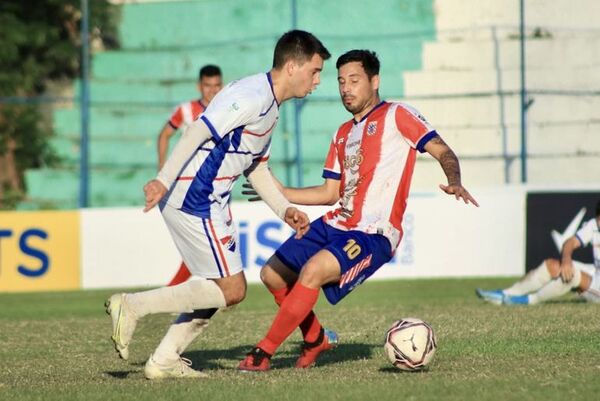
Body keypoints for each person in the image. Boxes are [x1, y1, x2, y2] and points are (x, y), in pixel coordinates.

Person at [105, 30, 331, 379]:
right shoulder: (253, 95)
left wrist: (284, 209)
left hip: (209, 198)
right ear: (292, 66)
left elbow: (255, 167)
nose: (317, 80)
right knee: (233, 288)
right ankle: (133, 306)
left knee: (217, 286)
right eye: (315, 71)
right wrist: (163, 180)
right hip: (195, 195)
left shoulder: (271, 107)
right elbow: (198, 130)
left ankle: (164, 359)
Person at [237, 49, 479, 371]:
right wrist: (280, 192)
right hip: (337, 222)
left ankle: (262, 354)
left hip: (374, 232)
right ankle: (315, 339)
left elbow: (442, 150)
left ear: (374, 81)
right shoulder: (341, 134)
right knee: (272, 275)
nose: (346, 88)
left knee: (312, 272)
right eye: (340, 82)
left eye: (354, 80)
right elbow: (329, 193)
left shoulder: (398, 115)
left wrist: (455, 179)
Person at [157, 65, 223, 286]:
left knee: (213, 242)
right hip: (191, 187)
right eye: (207, 86)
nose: (212, 91)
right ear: (199, 86)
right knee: (201, 243)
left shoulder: (227, 110)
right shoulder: (186, 110)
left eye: (216, 85)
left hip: (218, 185)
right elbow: (164, 135)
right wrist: (163, 171)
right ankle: (214, 289)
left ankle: (219, 289)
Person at [477, 200, 600, 305]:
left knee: (573, 275)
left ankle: (527, 301)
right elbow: (570, 242)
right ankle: (505, 294)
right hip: (596, 274)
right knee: (553, 265)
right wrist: (566, 260)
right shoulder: (594, 224)